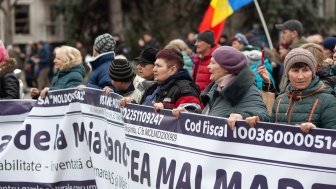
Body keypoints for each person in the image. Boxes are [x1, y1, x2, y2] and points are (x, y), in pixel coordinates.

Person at [172, 46, 269, 129]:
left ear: (227, 68)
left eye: (213, 63)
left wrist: (243, 117)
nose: (208, 67)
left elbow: (264, 115)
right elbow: (210, 116)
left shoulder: (247, 90)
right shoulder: (216, 87)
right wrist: (188, 114)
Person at [251, 48, 336, 132]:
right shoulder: (280, 100)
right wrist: (259, 120)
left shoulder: (328, 101)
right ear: (287, 74)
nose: (300, 76)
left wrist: (316, 131)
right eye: (295, 71)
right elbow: (271, 132)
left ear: (313, 73)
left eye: (305, 70)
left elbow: (332, 138)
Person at [135, 48, 201, 111]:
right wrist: (131, 105)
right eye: (154, 65)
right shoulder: (155, 88)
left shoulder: (186, 90)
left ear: (172, 69)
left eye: (158, 66)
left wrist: (166, 109)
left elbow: (191, 118)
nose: (154, 69)